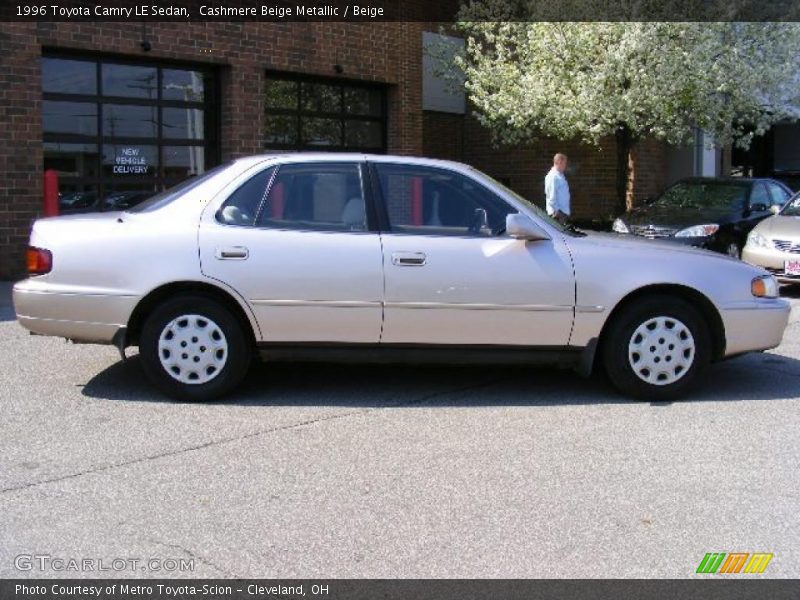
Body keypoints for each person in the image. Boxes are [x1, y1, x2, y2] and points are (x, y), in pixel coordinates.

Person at [544, 153, 570, 224]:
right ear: (559, 162)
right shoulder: (553, 177)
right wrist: (557, 212)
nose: (565, 166)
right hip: (557, 214)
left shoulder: (559, 175)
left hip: (561, 213)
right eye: (564, 163)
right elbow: (551, 196)